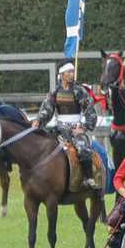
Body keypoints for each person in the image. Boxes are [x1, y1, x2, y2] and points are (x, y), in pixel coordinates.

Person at [32, 60, 100, 189]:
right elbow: (47, 110)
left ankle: (89, 178)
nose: (72, 74)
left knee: (83, 150)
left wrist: (83, 127)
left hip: (76, 129)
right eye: (69, 72)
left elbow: (90, 111)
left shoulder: (79, 91)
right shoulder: (54, 92)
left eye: (73, 71)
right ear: (62, 74)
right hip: (59, 129)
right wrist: (38, 121)